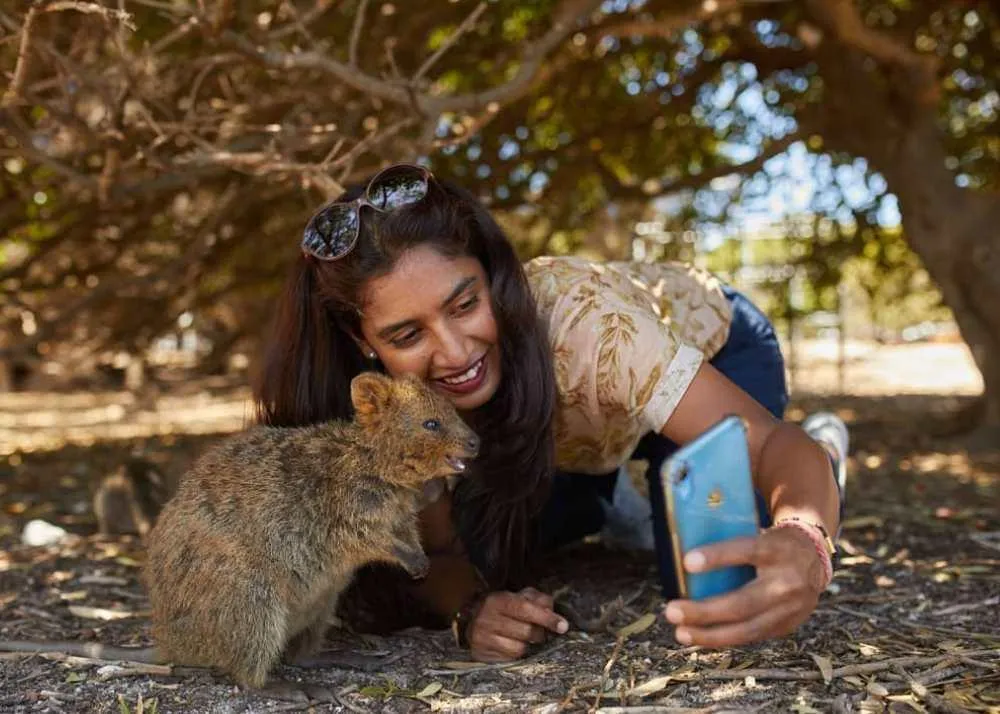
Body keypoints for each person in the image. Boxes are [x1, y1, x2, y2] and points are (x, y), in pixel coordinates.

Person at [254, 164, 849, 663]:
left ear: (493, 275)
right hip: (575, 421)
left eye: (465, 304)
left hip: (713, 346)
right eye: (407, 335)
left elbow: (769, 443)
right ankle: (610, 492)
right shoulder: (380, 404)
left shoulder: (588, 324)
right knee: (498, 556)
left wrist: (805, 536)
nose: (455, 353)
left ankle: (825, 456)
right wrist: (473, 609)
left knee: (721, 585)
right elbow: (436, 555)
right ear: (362, 341)